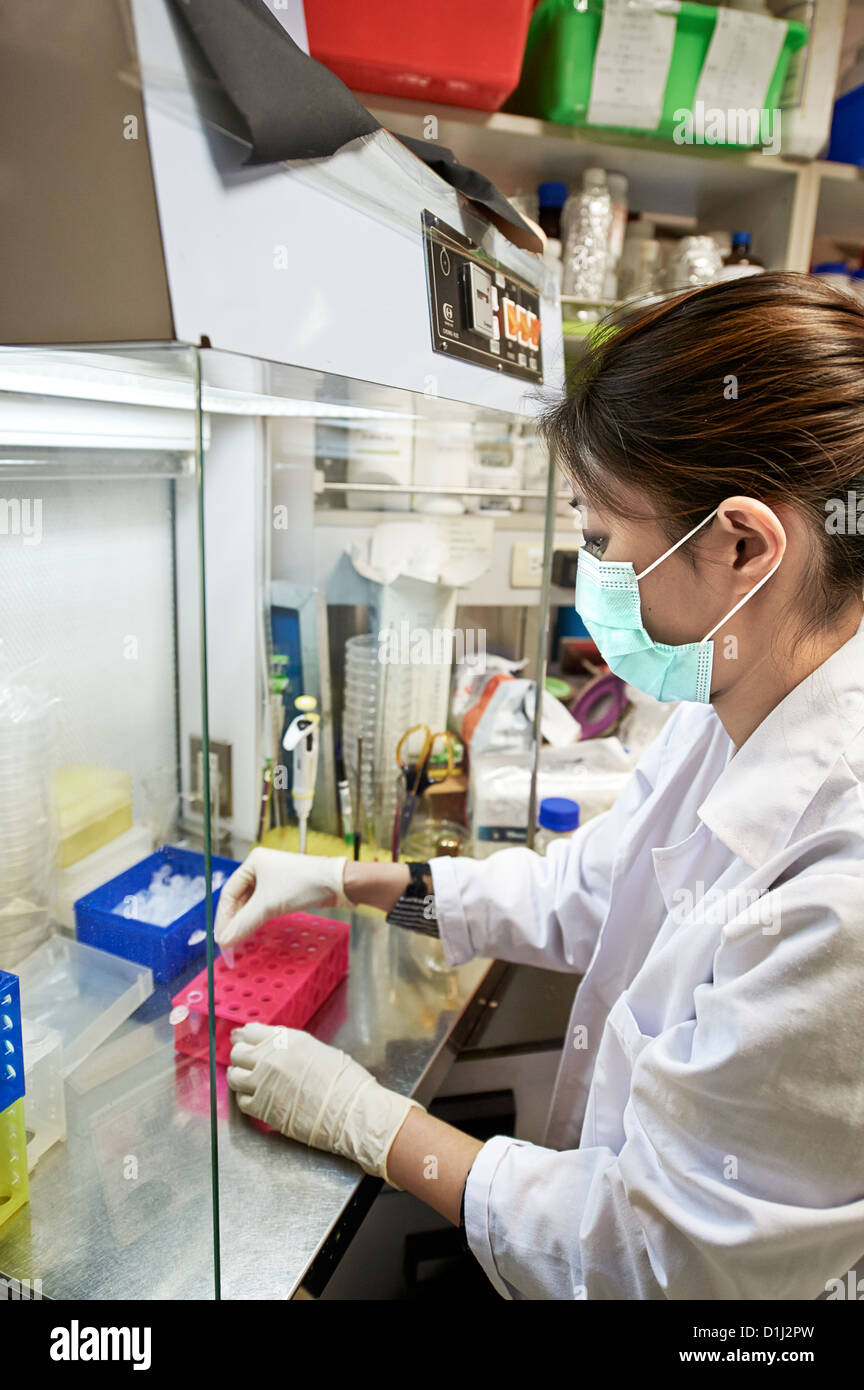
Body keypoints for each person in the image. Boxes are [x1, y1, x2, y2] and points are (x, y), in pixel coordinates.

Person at [216, 272, 864, 1301]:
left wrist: (377, 1127)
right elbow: (583, 894)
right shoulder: (732, 710)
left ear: (742, 545)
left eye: (605, 541)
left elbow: (655, 1260)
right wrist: (358, 883)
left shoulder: (841, 880)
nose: (590, 571)